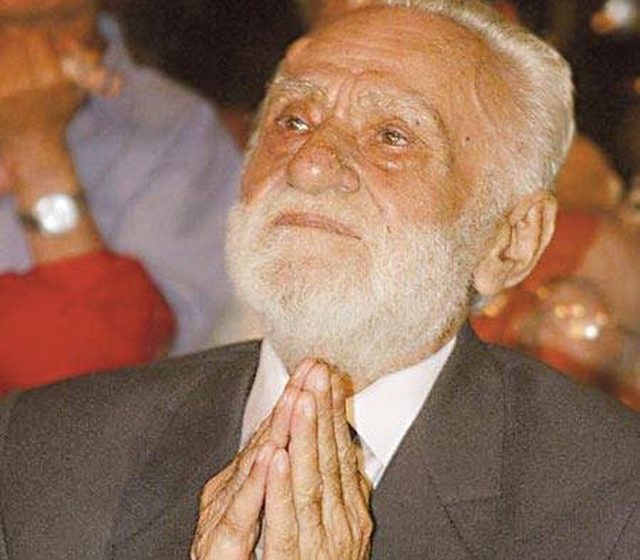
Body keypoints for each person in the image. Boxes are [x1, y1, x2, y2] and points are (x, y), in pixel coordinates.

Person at [2, 2, 640, 559]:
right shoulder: (51, 449)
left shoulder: (613, 504)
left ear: (510, 241)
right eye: (294, 122)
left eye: (392, 136)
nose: (309, 164)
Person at [0, 0, 241, 392]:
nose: (25, 53)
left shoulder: (177, 129)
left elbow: (106, 390)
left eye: (50, 23)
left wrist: (36, 153)